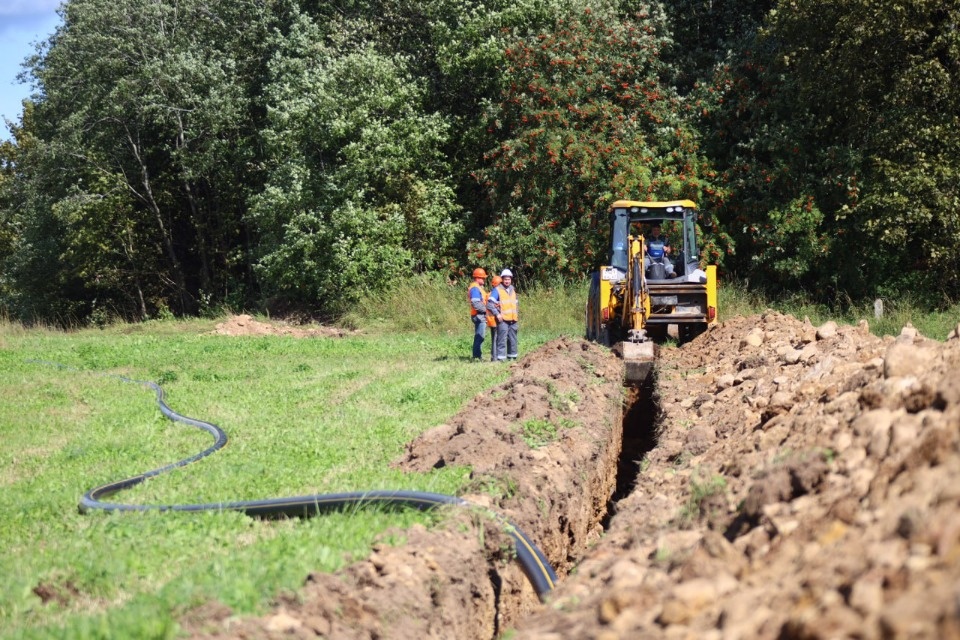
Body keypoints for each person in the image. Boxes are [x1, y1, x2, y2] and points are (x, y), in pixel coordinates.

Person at [488, 268, 519, 361]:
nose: (507, 281)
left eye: (508, 279)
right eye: (505, 279)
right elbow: (490, 304)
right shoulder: (497, 290)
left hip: (513, 320)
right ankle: (501, 359)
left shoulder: (512, 289)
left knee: (513, 340)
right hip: (503, 320)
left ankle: (512, 357)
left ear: (511, 279)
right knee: (502, 340)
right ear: (502, 279)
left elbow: (516, 303)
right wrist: (497, 314)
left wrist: (516, 314)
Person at [467, 268, 489, 361]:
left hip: (478, 314)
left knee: (479, 336)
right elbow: (475, 303)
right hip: (479, 315)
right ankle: (476, 356)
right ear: (477, 278)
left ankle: (477, 355)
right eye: (482, 278)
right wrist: (486, 311)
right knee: (480, 336)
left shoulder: (477, 287)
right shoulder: (475, 288)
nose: (484, 280)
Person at [487, 275, 502, 361]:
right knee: (497, 338)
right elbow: (493, 306)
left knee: (494, 338)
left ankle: (494, 356)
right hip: (495, 319)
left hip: (491, 319)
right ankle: (495, 357)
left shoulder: (490, 293)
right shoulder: (496, 294)